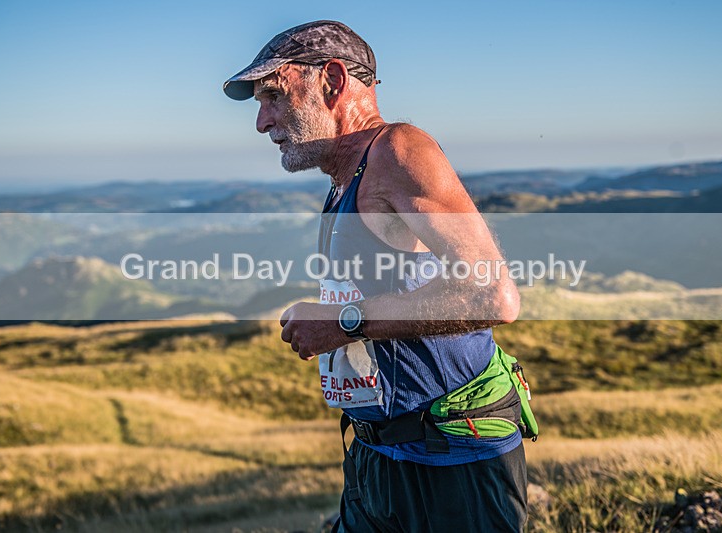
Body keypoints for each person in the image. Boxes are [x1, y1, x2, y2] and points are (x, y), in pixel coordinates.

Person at [224, 20, 527, 532]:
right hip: (377, 454)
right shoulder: (347, 178)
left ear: (332, 81)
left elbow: (492, 294)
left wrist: (342, 323)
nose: (261, 122)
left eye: (274, 95)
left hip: (453, 458)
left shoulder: (399, 150)